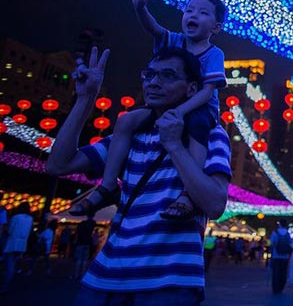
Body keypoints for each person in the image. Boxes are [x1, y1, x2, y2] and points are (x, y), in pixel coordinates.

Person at [46, 46, 231, 305]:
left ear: (191, 89)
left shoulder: (209, 134)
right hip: (104, 275)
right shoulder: (129, 136)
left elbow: (215, 204)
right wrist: (85, 99)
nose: (154, 83)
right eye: (150, 75)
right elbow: (58, 165)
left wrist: (174, 145)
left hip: (170, 280)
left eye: (167, 75)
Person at [70, 0, 227, 220]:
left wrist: (180, 112)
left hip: (200, 108)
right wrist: (141, 7)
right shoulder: (174, 40)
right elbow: (153, 27)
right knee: (125, 121)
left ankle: (188, 193)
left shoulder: (214, 54)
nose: (193, 15)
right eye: (189, 10)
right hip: (167, 106)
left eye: (203, 13)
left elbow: (207, 92)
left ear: (215, 27)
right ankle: (109, 185)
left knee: (198, 127)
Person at [1, 202, 33, 293]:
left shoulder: (16, 217)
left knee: (9, 266)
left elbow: (10, 230)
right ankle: (6, 284)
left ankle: (4, 286)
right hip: (22, 244)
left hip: (12, 242)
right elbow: (30, 232)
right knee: (12, 264)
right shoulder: (30, 219)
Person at [270, 219, 291, 294]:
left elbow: (272, 243)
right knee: (283, 272)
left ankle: (275, 288)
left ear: (280, 224)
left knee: (276, 272)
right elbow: (290, 243)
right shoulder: (288, 233)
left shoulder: (275, 232)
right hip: (285, 256)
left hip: (276, 255)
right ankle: (281, 287)